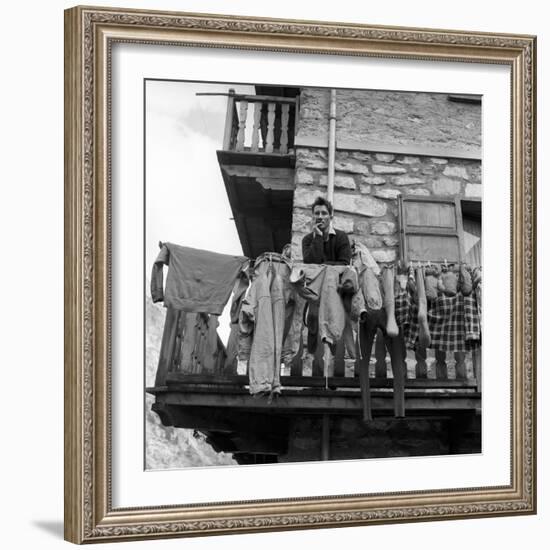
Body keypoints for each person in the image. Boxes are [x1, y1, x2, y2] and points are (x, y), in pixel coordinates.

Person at [302, 196, 351, 265]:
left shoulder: (341, 237)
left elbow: (345, 263)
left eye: (324, 213)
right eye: (317, 213)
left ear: (330, 217)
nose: (320, 217)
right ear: (313, 217)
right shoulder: (307, 239)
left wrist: (323, 265)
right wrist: (318, 236)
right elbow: (310, 264)